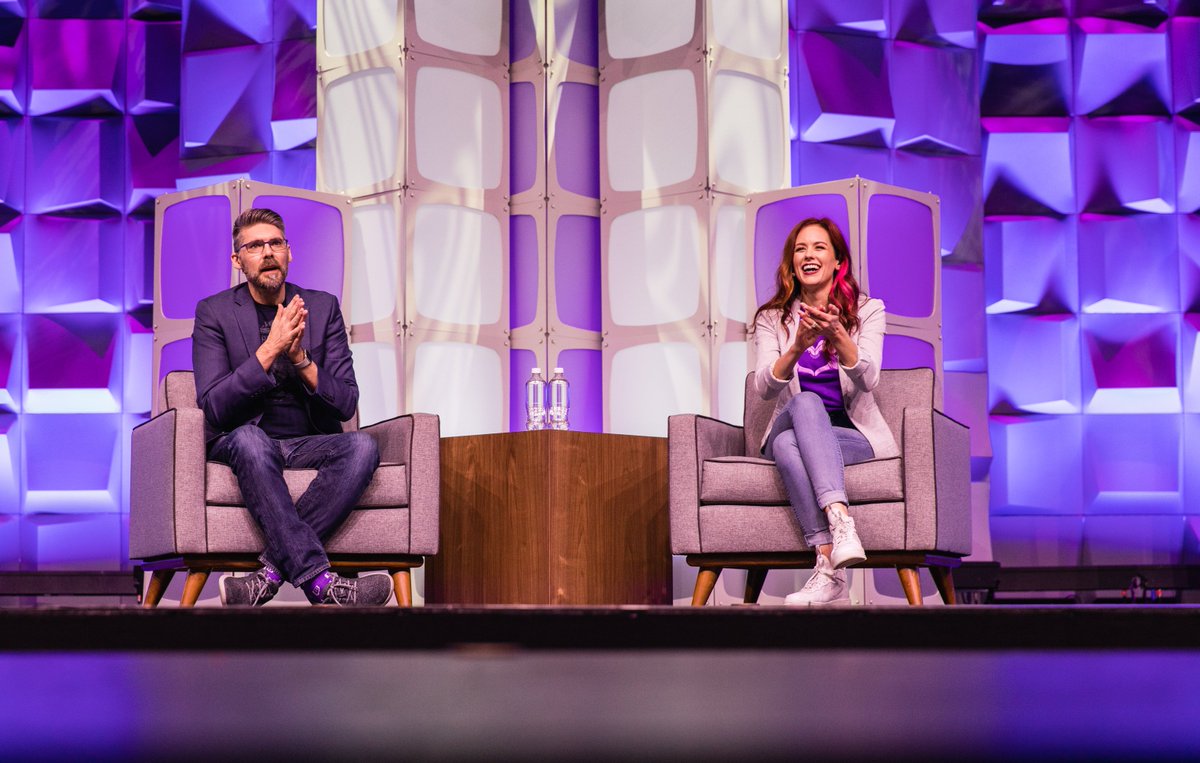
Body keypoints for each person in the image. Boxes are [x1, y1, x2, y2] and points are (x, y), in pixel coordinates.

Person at [191, 208, 392, 607]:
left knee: (362, 447)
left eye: (275, 243)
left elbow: (346, 402)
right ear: (237, 260)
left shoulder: (322, 307)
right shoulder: (213, 312)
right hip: (244, 441)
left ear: (289, 252)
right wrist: (270, 350)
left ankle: (268, 575)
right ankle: (322, 584)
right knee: (251, 440)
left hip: (308, 442)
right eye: (254, 246)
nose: (268, 252)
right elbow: (213, 407)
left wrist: (300, 359)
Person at [752, 217, 899, 606]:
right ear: (792, 263)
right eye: (800, 249)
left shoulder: (868, 311)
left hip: (851, 435)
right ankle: (841, 522)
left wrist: (838, 334)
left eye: (819, 247)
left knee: (787, 446)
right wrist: (797, 347)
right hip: (790, 417)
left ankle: (827, 568)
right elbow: (763, 387)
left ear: (838, 262)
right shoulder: (772, 318)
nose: (808, 255)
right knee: (805, 402)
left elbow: (869, 379)